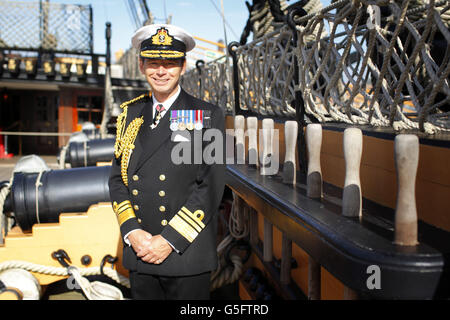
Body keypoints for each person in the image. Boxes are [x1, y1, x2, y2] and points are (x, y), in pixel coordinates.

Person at [108, 24, 225, 300]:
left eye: (170, 63)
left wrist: (169, 239)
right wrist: (131, 230)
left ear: (183, 67)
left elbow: (210, 186)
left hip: (186, 255)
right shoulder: (130, 114)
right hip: (140, 250)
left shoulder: (207, 115)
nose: (161, 71)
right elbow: (117, 178)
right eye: (153, 62)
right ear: (141, 65)